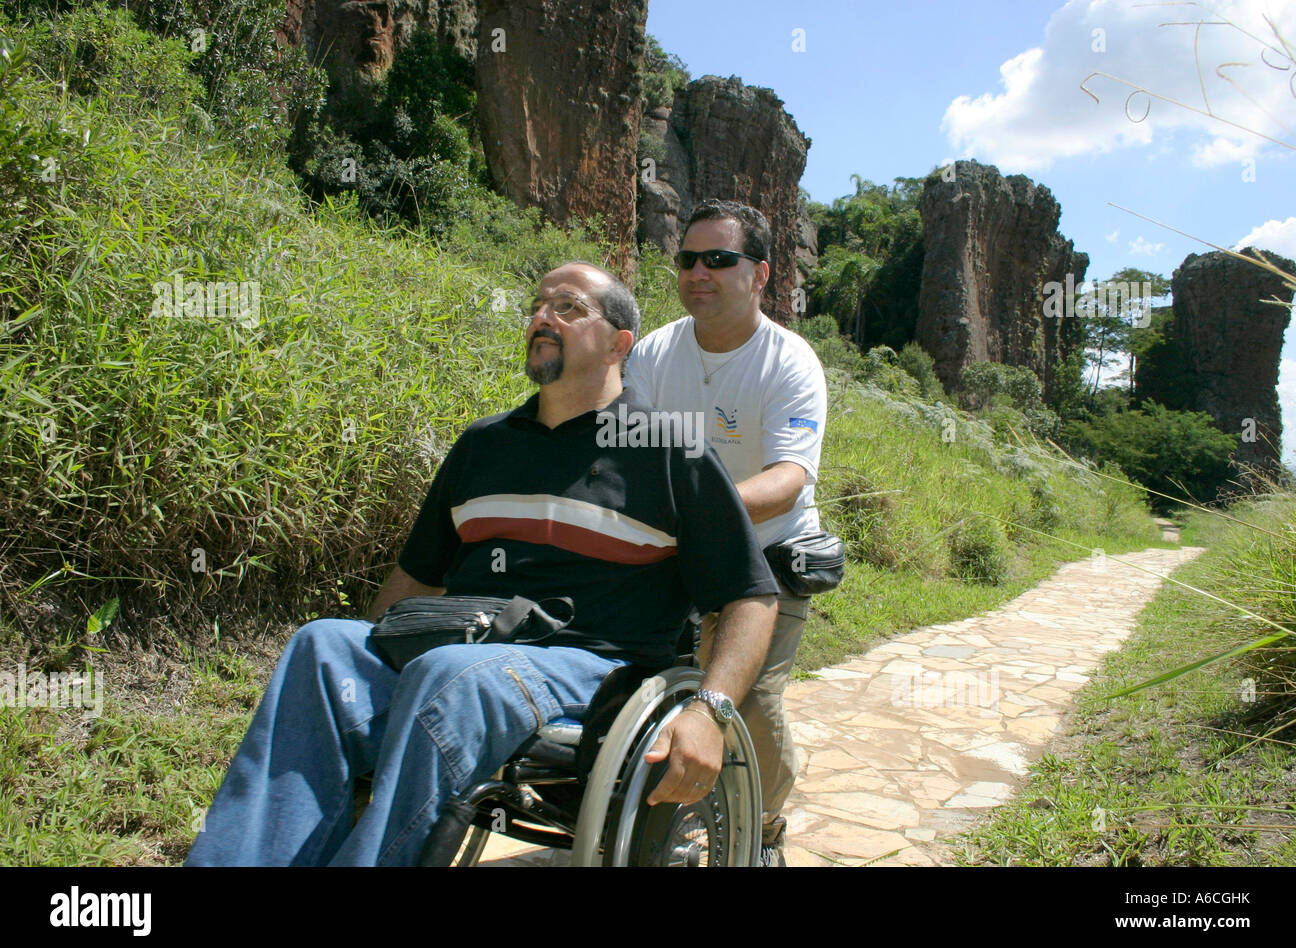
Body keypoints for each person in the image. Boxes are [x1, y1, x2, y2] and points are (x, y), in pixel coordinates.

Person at [185, 261, 778, 866]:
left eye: (569, 307)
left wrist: (711, 711)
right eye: (538, 306)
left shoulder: (669, 450)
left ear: (619, 345)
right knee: (323, 645)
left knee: (451, 674)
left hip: (593, 665)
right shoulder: (483, 446)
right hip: (468, 644)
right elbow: (416, 579)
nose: (543, 316)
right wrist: (378, 648)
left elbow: (750, 598)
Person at [626, 200, 828, 867]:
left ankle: (764, 825)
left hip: (765, 553)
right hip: (669, 546)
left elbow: (789, 479)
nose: (699, 273)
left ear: (760, 274)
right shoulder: (654, 354)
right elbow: (627, 456)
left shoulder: (789, 363)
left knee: (753, 699)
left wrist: (702, 514)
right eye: (688, 259)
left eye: (719, 259)